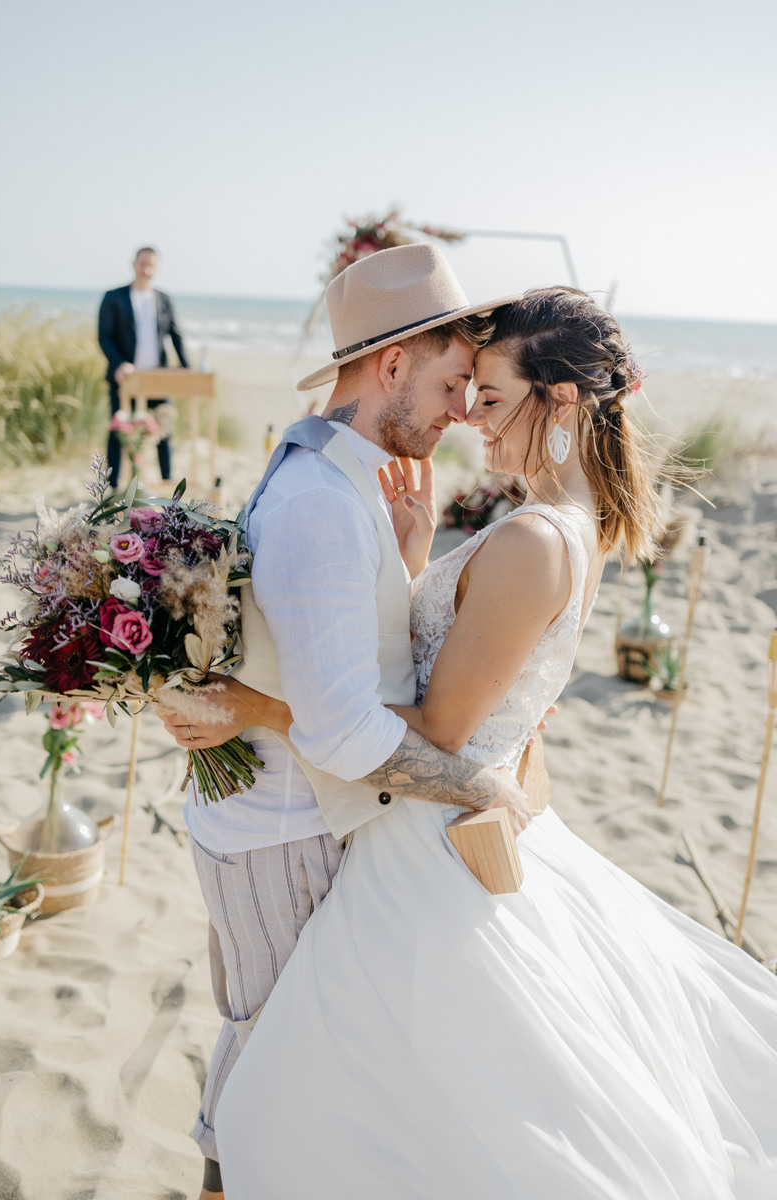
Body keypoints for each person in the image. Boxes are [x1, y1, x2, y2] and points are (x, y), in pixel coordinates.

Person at [206, 287, 777, 1198]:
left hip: (424, 843)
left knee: (311, 1104)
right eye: (470, 395)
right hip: (445, 814)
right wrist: (412, 564)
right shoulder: (566, 524)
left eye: (495, 399)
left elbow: (438, 728)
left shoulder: (534, 541)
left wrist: (259, 706)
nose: (473, 419)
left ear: (562, 401)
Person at [159, 243, 532, 1200]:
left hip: (291, 819)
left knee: (287, 1055)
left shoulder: (336, 473)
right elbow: (344, 735)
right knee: (270, 1054)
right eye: (451, 382)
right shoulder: (322, 499)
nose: (463, 408)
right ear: (392, 363)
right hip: (281, 832)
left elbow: (328, 657)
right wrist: (479, 786)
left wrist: (406, 564)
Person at [98, 246, 190, 489]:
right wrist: (119, 364)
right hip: (126, 379)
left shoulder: (164, 299)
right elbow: (104, 336)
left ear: (157, 268)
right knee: (118, 429)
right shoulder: (113, 297)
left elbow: (176, 334)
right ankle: (112, 486)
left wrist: (187, 367)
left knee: (163, 428)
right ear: (134, 265)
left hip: (158, 377)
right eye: (142, 265)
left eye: (151, 266)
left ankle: (167, 482)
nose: (146, 270)